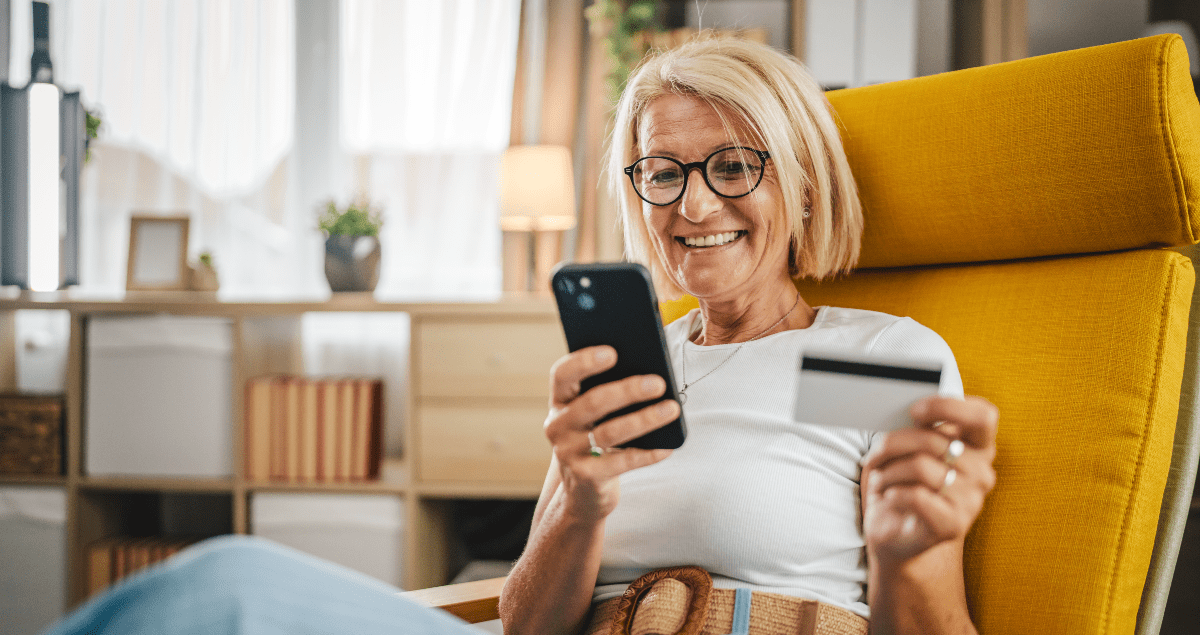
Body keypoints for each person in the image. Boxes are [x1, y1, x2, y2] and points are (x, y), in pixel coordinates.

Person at [498, 37, 998, 635]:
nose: (695, 205)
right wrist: (579, 509)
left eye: (733, 167)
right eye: (663, 173)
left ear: (802, 186)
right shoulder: (625, 365)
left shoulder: (866, 362)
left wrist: (904, 562)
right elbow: (524, 627)